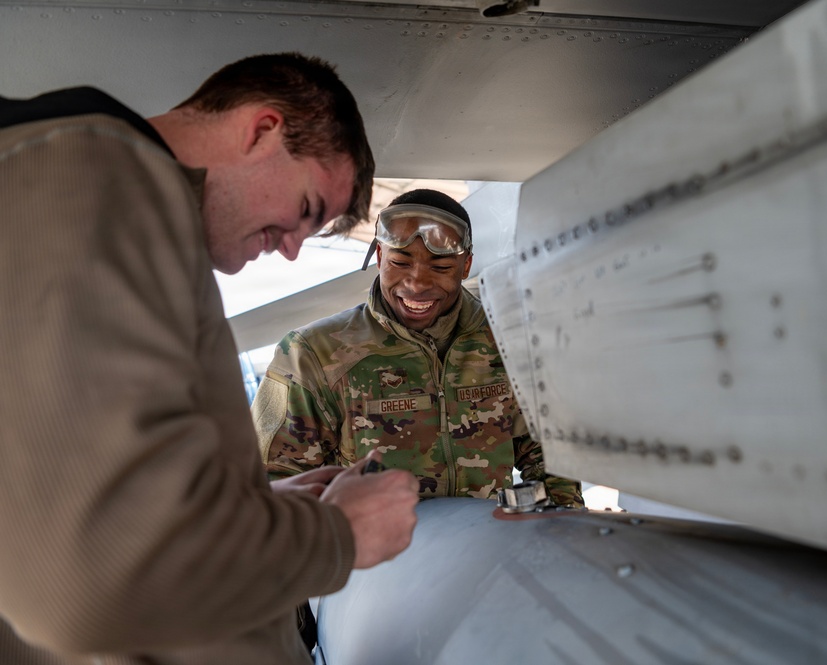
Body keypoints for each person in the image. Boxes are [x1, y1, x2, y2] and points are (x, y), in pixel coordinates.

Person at [0, 53, 419, 665]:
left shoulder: (108, 194)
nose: (295, 251)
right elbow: (95, 578)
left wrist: (257, 513)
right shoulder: (98, 178)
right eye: (306, 210)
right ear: (262, 131)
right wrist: (336, 537)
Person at [253, 189, 583, 507]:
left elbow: (552, 457)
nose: (417, 284)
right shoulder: (313, 354)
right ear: (380, 256)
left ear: (466, 266)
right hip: (377, 558)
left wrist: (560, 528)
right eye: (400, 262)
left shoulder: (509, 336)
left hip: (487, 549)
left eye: (440, 268)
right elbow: (275, 486)